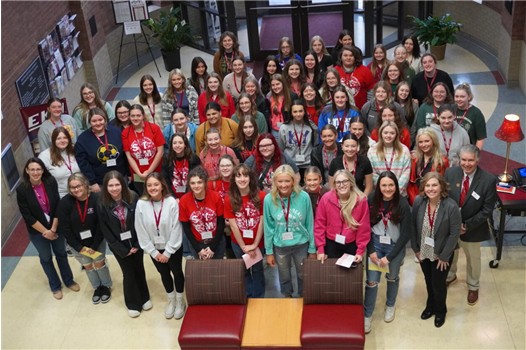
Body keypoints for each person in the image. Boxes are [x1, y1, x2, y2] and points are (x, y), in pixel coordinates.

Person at [16, 158, 79, 300]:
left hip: (56, 226)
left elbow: (58, 206)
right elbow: (27, 216)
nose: (35, 172)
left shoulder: (50, 182)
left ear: (43, 170)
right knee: (46, 258)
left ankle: (69, 281)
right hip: (37, 232)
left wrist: (53, 229)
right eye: (32, 169)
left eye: (38, 169)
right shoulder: (22, 190)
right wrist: (46, 232)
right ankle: (55, 286)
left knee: (61, 254)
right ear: (27, 171)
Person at [445, 145, 497, 305]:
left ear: (478, 160)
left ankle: (473, 286)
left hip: (473, 228)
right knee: (450, 253)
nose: (467, 164)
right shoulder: (450, 173)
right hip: (451, 226)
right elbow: (444, 198)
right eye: (464, 160)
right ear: (459, 159)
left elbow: (487, 209)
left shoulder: (488, 180)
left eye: (471, 160)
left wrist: (466, 225)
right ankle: (450, 276)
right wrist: (453, 223)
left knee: (473, 259)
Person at [364, 171, 412, 333]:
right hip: (376, 245)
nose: (388, 188)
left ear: (396, 186)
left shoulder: (403, 204)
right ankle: (367, 314)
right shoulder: (371, 200)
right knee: (372, 282)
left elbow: (406, 234)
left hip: (394, 247)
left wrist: (390, 258)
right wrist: (371, 251)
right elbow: (366, 228)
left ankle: (390, 305)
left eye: (391, 185)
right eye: (384, 185)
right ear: (379, 187)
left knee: (392, 278)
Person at [98, 171, 151, 318]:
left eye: (117, 184)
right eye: (110, 185)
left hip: (136, 242)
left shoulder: (133, 197)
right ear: (105, 187)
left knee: (139, 269)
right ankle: (133, 303)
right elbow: (105, 231)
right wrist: (122, 249)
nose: (114, 188)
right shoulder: (102, 204)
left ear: (123, 184)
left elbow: (140, 222)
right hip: (119, 247)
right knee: (128, 273)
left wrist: (136, 244)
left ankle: (145, 297)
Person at [411, 172, 460, 328]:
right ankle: (430, 305)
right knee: (428, 280)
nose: (431, 189)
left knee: (438, 284)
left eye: (434, 185)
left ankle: (440, 311)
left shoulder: (450, 206)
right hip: (424, 250)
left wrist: (445, 256)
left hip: (442, 253)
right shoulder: (419, 201)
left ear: (441, 187)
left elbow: (454, 233)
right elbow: (412, 227)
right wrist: (416, 249)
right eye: (428, 185)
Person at [135, 173, 186, 319]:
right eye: (149, 185)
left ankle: (180, 300)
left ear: (162, 185)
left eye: (156, 184)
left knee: (177, 272)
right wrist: (153, 252)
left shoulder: (171, 202)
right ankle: (171, 299)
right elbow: (140, 229)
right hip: (155, 249)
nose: (153, 188)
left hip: (173, 247)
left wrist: (168, 252)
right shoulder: (141, 204)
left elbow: (177, 228)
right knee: (164, 273)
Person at [57, 173, 112, 304]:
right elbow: (65, 229)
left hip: (96, 241)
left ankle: (106, 286)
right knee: (87, 265)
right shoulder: (65, 203)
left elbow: (101, 224)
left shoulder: (97, 198)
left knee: (99, 263)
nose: (76, 190)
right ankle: (96, 287)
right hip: (77, 244)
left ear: (85, 184)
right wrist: (78, 247)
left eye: (78, 186)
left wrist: (93, 247)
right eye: (72, 187)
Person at [264, 164, 315, 297]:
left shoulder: (304, 197)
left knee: (303, 274)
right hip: (280, 246)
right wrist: (269, 252)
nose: (284, 185)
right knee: (284, 276)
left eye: (287, 181)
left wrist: (312, 249)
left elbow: (310, 223)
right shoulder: (269, 199)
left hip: (301, 245)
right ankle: (287, 297)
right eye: (280, 181)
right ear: (275, 182)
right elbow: (268, 228)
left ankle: (304, 296)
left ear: (293, 180)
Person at [224, 164, 266, 297]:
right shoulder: (229, 199)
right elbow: (233, 225)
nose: (242, 179)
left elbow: (262, 222)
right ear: (234, 180)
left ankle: (259, 296)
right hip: (238, 244)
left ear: (250, 178)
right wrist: (244, 247)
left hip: (258, 242)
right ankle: (248, 295)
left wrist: (254, 245)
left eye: (245, 175)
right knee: (244, 269)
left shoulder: (261, 196)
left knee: (258, 269)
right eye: (238, 176)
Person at [314, 169, 370, 261]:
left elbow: (364, 228)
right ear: (335, 184)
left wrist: (360, 251)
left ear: (351, 182)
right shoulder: (326, 199)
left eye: (345, 181)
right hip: (331, 244)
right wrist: (320, 249)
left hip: (351, 244)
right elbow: (319, 225)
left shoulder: (361, 201)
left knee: (349, 274)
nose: (341, 185)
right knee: (332, 274)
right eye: (338, 182)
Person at [75, 108, 128, 193]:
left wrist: (128, 174)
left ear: (105, 119)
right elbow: (83, 163)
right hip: (100, 183)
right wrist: (92, 182)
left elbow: (125, 154)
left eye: (100, 120)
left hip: (121, 178)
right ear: (89, 122)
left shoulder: (116, 132)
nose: (98, 123)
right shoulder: (83, 140)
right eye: (94, 121)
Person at [179, 166, 226, 259]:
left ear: (205, 182)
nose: (196, 186)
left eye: (199, 182)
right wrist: (198, 249)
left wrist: (213, 248)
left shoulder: (216, 196)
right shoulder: (184, 200)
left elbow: (221, 223)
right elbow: (186, 228)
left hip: (216, 242)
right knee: (201, 272)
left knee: (218, 271)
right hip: (196, 243)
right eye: (193, 183)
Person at [122, 104, 165, 194]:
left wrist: (149, 171)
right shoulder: (125, 133)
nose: (135, 118)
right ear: (129, 117)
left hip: (155, 171)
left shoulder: (154, 128)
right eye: (132, 116)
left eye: (138, 115)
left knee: (157, 195)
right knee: (144, 196)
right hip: (138, 175)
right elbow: (129, 156)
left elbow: (160, 152)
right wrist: (139, 173)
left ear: (143, 116)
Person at [278, 99, 319, 182]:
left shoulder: (311, 126)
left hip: (308, 164)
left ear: (304, 112)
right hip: (290, 165)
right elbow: (281, 148)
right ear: (291, 113)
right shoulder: (284, 128)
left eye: (300, 111)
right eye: (295, 112)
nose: (298, 114)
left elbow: (315, 145)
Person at [367, 121, 411, 196]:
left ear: (396, 134)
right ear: (381, 133)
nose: (388, 135)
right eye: (385, 133)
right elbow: (372, 174)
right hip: (379, 195)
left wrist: (395, 192)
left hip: (399, 195)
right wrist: (383, 190)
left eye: (392, 133)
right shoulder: (372, 150)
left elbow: (406, 174)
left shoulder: (404, 150)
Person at [408, 128, 449, 205]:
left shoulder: (442, 161)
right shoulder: (414, 158)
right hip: (415, 199)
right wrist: (415, 200)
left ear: (433, 141)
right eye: (420, 142)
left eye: (427, 141)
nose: (423, 145)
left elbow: (444, 184)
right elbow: (411, 183)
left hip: (435, 200)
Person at [39, 127, 80, 198]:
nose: (62, 140)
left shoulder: (75, 150)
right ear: (53, 140)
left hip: (80, 192)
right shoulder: (45, 156)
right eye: (58, 138)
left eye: (65, 137)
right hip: (61, 196)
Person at [162, 133, 201, 199]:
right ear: (171, 145)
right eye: (174, 143)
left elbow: (196, 179)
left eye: (180, 143)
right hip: (172, 196)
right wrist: (173, 197)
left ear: (185, 144)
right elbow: (165, 180)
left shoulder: (194, 158)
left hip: (190, 194)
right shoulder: (167, 158)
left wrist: (185, 198)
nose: (177, 145)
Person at [334, 45, 374, 109]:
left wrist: (368, 107)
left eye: (351, 55)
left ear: (355, 57)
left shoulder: (365, 71)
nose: (348, 58)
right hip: (339, 111)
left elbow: (371, 91)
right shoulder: (335, 71)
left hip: (361, 110)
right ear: (341, 57)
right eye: (345, 55)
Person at [454, 83, 487, 149]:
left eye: (462, 96)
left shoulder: (476, 113)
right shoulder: (451, 109)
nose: (459, 99)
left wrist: (475, 155)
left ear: (469, 97)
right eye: (456, 96)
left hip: (468, 152)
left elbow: (480, 138)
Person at [266, 73, 297, 139]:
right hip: (275, 130)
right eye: (273, 85)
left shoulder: (292, 96)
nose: (275, 87)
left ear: (283, 84)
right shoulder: (269, 97)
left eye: (278, 84)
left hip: (289, 129)